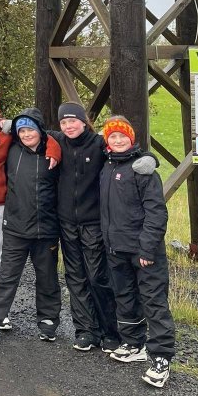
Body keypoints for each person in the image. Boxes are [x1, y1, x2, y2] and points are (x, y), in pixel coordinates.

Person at [0, 107, 61, 346]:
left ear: (40, 131)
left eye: (31, 129)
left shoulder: (54, 151)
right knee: (6, 276)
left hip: (45, 228)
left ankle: (48, 321)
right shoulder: (11, 148)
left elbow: (65, 136)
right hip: (15, 226)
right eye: (22, 130)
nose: (26, 134)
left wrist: (52, 144)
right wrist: (11, 125)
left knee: (47, 277)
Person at [99, 116, 175, 389]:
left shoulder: (143, 170)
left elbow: (156, 213)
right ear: (107, 140)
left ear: (131, 138)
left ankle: (161, 358)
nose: (118, 140)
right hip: (116, 247)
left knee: (153, 301)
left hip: (143, 250)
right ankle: (133, 343)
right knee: (125, 296)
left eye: (122, 136)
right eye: (113, 136)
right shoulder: (107, 165)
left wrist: (147, 248)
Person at [54, 102, 120, 353]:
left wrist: (148, 158)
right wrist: (6, 124)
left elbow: (125, 149)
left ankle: (110, 331)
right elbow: (31, 130)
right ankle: (85, 330)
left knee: (97, 276)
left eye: (73, 121)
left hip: (93, 221)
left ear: (84, 121)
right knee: (75, 276)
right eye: (63, 122)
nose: (68, 126)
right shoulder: (58, 142)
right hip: (66, 222)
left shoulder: (99, 143)